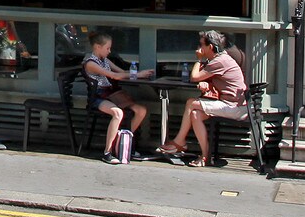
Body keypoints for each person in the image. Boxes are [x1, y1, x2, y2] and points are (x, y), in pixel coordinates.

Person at [159, 30, 248, 167]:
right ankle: (206, 157)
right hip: (232, 104)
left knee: (190, 103)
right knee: (195, 114)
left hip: (234, 108)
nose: (198, 49)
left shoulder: (219, 61)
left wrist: (199, 59)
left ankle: (180, 142)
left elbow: (194, 77)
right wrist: (208, 83)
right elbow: (218, 80)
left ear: (210, 47)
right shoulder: (220, 59)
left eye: (201, 45)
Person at [82, 31, 151, 162]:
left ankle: (122, 142)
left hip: (113, 94)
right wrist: (139, 75)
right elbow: (114, 76)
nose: (109, 51)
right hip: (99, 97)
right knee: (118, 113)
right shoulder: (91, 63)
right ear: (97, 47)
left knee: (141, 110)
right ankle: (107, 152)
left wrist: (138, 73)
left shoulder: (105, 60)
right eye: (107, 48)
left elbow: (121, 72)